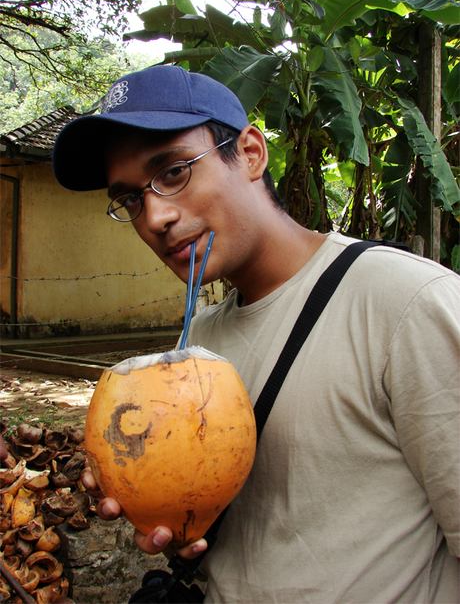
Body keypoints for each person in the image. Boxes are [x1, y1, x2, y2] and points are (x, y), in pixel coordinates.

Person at [52, 65, 460, 603]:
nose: (154, 216)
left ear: (249, 153)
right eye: (130, 198)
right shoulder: (196, 345)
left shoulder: (404, 302)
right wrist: (173, 517)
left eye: (173, 172)